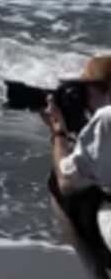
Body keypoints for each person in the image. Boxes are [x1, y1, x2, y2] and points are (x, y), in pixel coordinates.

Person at [47, 54, 111, 276]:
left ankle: (97, 273)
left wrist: (58, 132)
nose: (84, 99)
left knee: (58, 184)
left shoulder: (106, 117)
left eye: (87, 91)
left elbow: (67, 182)